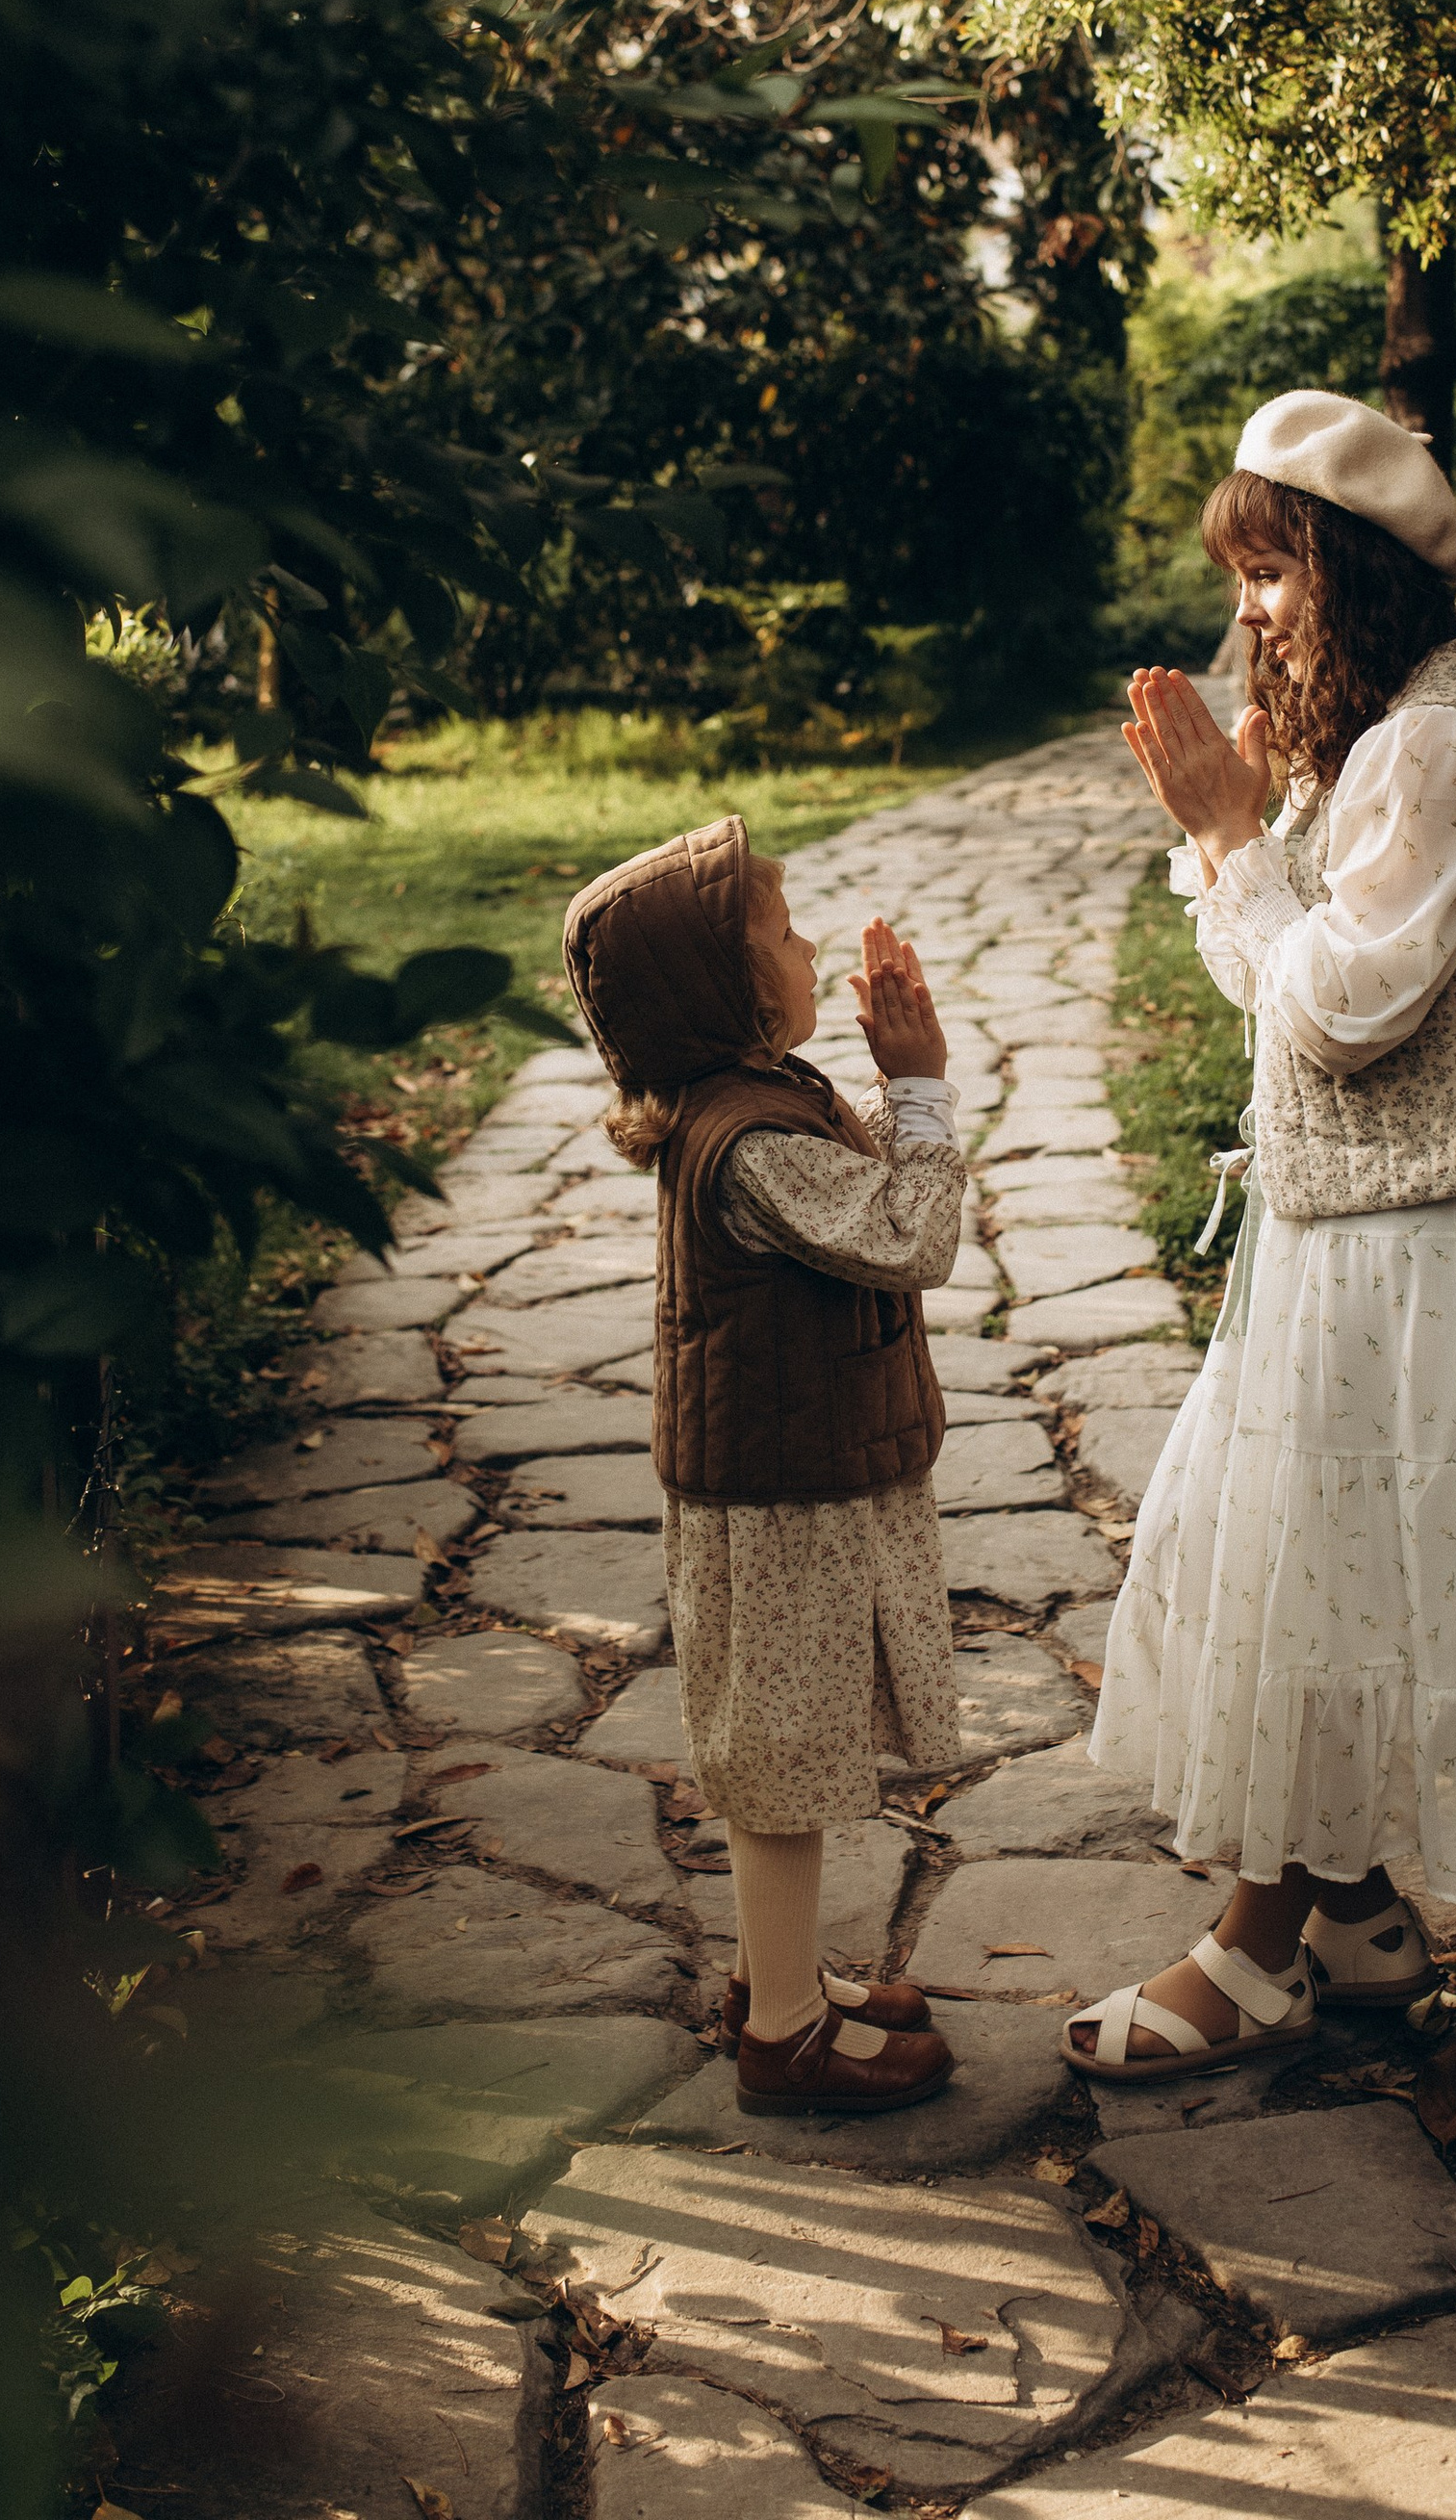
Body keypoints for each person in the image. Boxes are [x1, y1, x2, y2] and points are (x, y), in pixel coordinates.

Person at [1063, 388, 1456, 2085]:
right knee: (1288, 1565)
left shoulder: (1448, 743)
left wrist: (1224, 835)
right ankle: (1352, 1911)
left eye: (1275, 573)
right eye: (1245, 576)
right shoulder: (1383, 737)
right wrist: (1235, 838)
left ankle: (1260, 1950)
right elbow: (1272, 995)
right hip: (1347, 1229)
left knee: (1314, 1585)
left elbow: (1345, 1010)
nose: (1252, 613)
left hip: (1423, 1247)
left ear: (1355, 567)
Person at [563, 816, 964, 2114]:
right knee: (782, 1762)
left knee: (781, 1752)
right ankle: (784, 2034)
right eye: (783, 936)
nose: (806, 947)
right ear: (725, 993)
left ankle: (777, 1979)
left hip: (792, 1473)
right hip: (783, 1498)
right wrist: (917, 1087)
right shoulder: (755, 1140)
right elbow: (913, 1235)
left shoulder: (754, 1103)